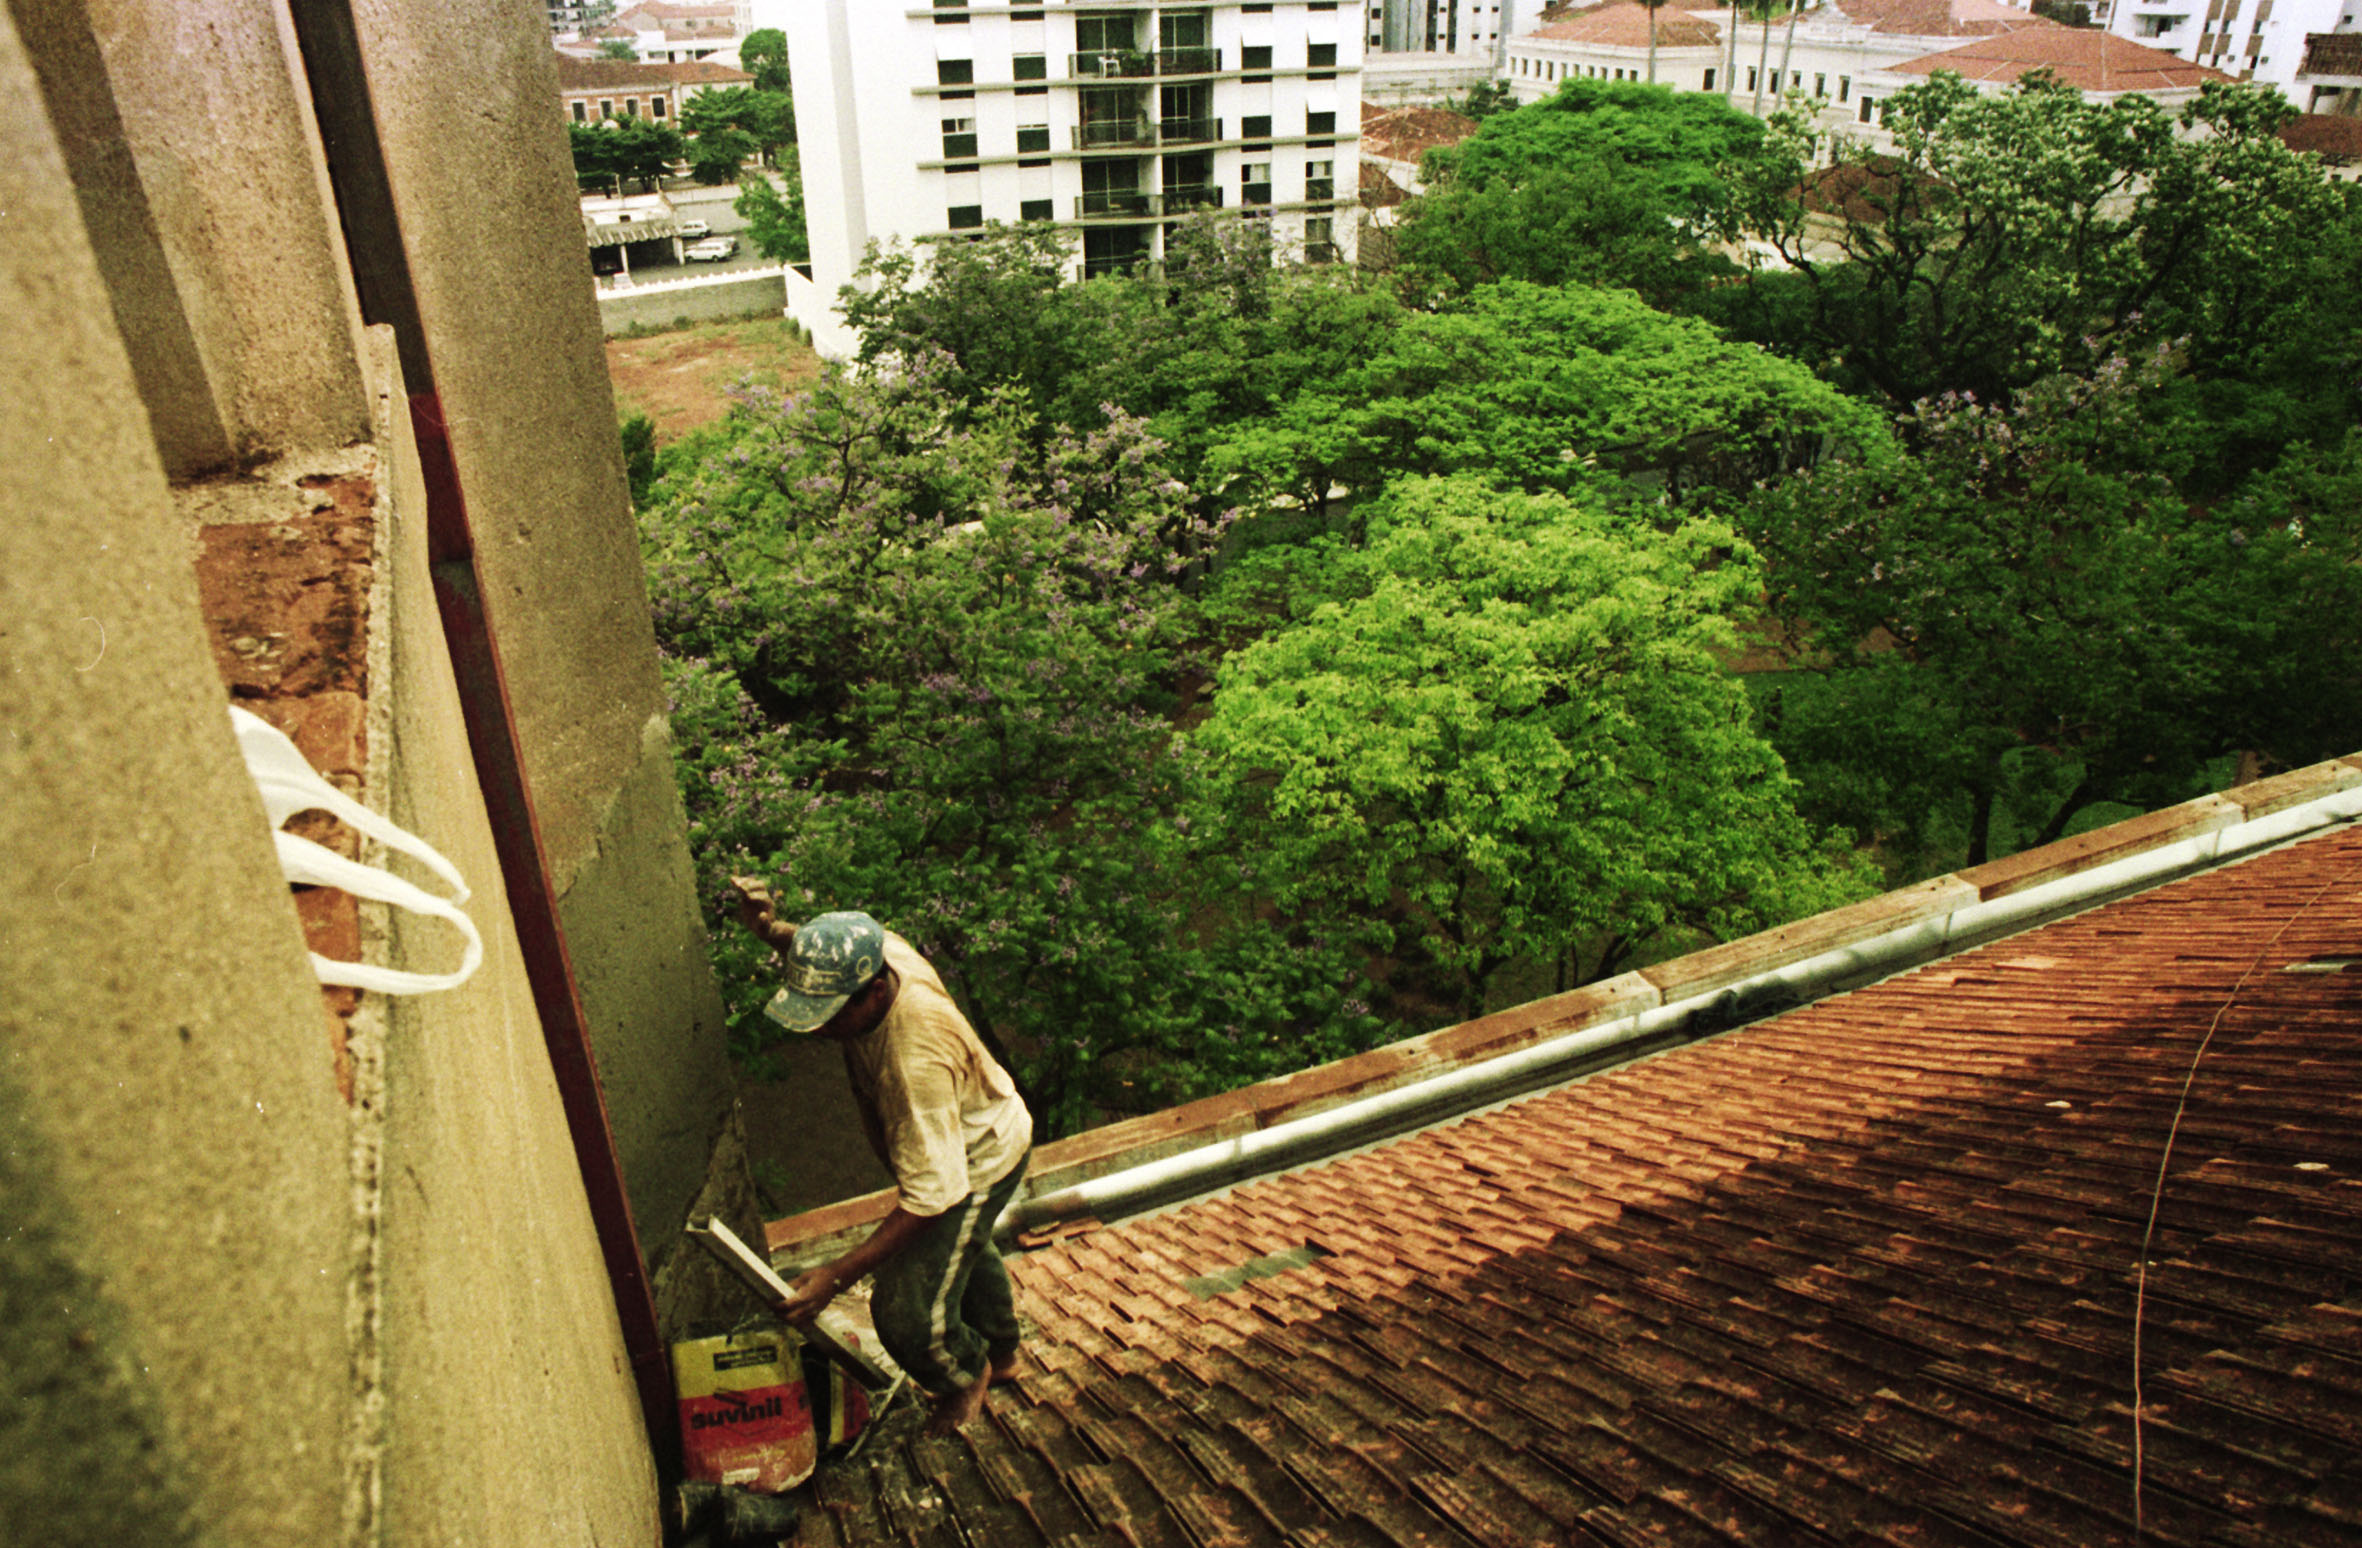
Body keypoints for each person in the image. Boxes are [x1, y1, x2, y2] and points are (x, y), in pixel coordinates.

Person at [731, 880, 1034, 1436]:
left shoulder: (914, 1060)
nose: (818, 1027)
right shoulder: (881, 950)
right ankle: (1005, 1353)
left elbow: (933, 1198)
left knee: (905, 1312)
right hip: (960, 1137)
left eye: (828, 1013)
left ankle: (965, 1376)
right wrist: (771, 930)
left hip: (978, 1158)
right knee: (968, 1244)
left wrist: (836, 1276)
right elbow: (821, 949)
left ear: (873, 992)